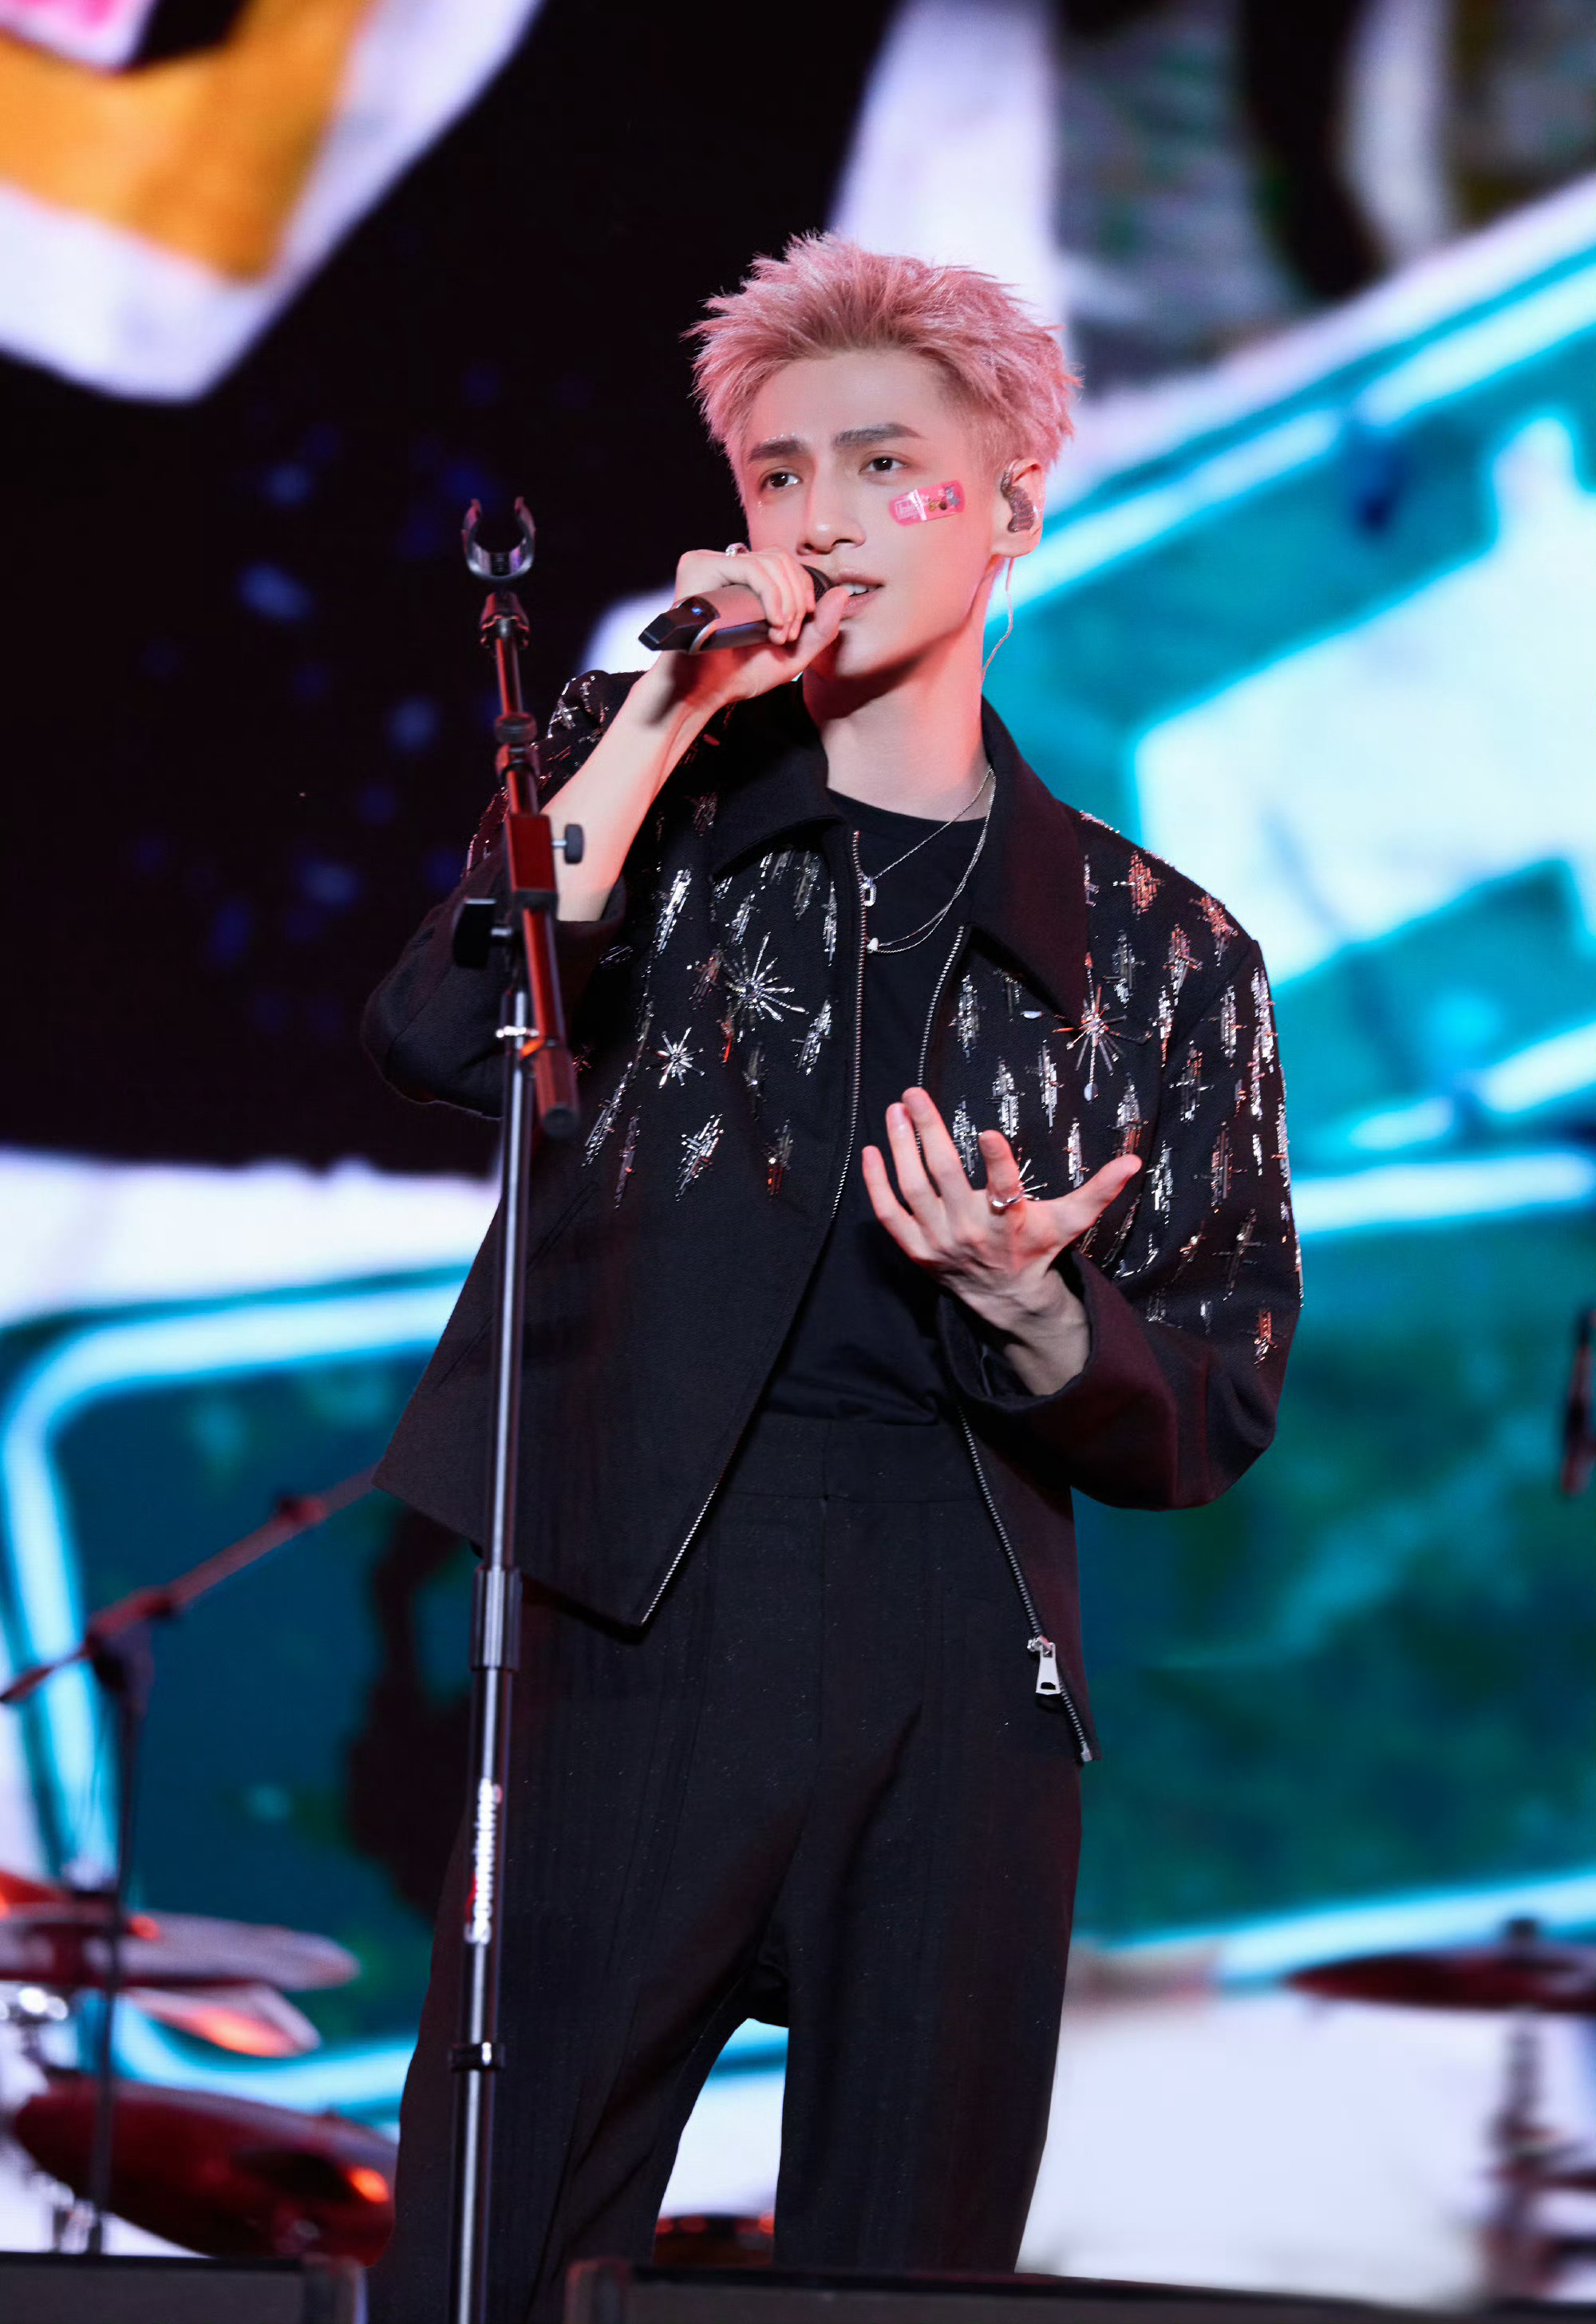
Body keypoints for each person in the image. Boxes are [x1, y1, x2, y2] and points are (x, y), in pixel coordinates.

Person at [362, 235, 1299, 2322]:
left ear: (1012, 508)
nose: (826, 518)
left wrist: (1040, 1309)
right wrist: (663, 709)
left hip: (959, 1651)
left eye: (886, 465)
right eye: (781, 474)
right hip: (631, 1607)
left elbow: (1220, 1382)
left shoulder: (1162, 951)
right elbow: (446, 1026)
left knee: (904, 2278)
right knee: (494, 2250)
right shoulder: (644, 793)